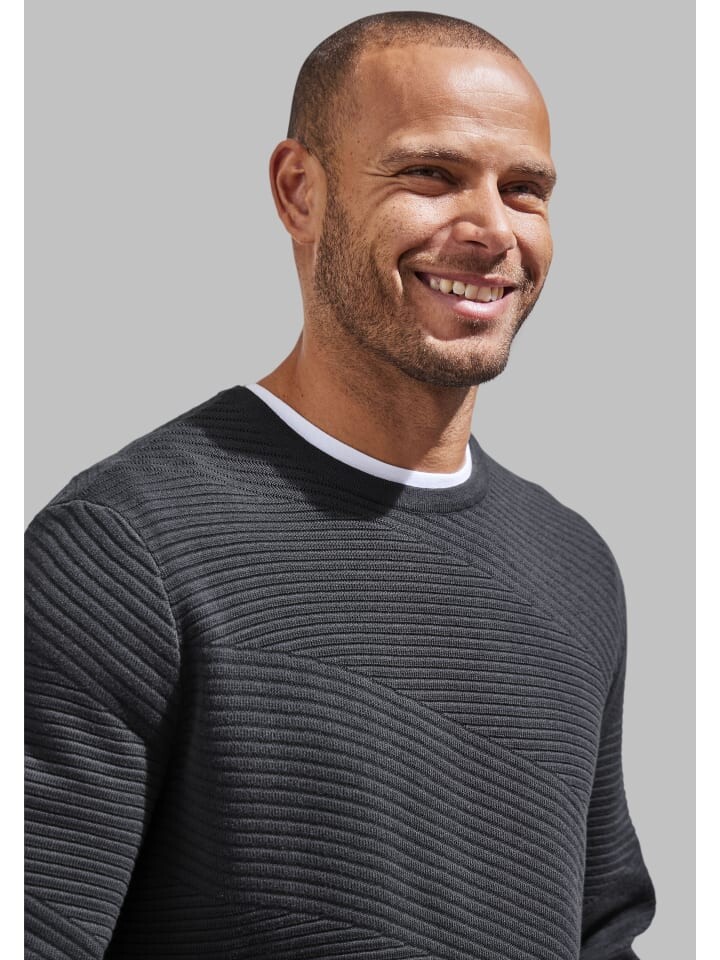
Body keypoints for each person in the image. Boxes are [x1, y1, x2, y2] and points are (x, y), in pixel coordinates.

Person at [25, 11, 656, 959]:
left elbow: (601, 933)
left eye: (525, 189)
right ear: (299, 193)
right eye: (430, 174)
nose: (492, 228)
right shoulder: (120, 550)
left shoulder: (575, 568)